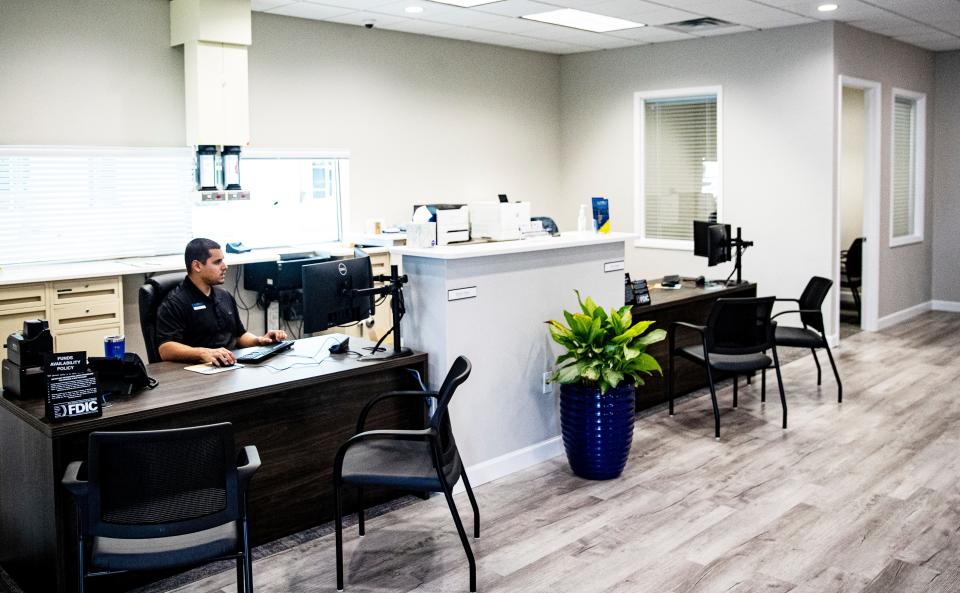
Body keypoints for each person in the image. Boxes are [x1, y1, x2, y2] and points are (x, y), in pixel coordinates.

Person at [156, 238, 287, 366]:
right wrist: (203, 353)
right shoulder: (174, 302)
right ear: (197, 266)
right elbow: (165, 349)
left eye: (223, 260)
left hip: (231, 365)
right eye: (217, 262)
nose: (225, 266)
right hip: (198, 371)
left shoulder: (224, 295)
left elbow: (238, 336)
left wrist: (260, 340)